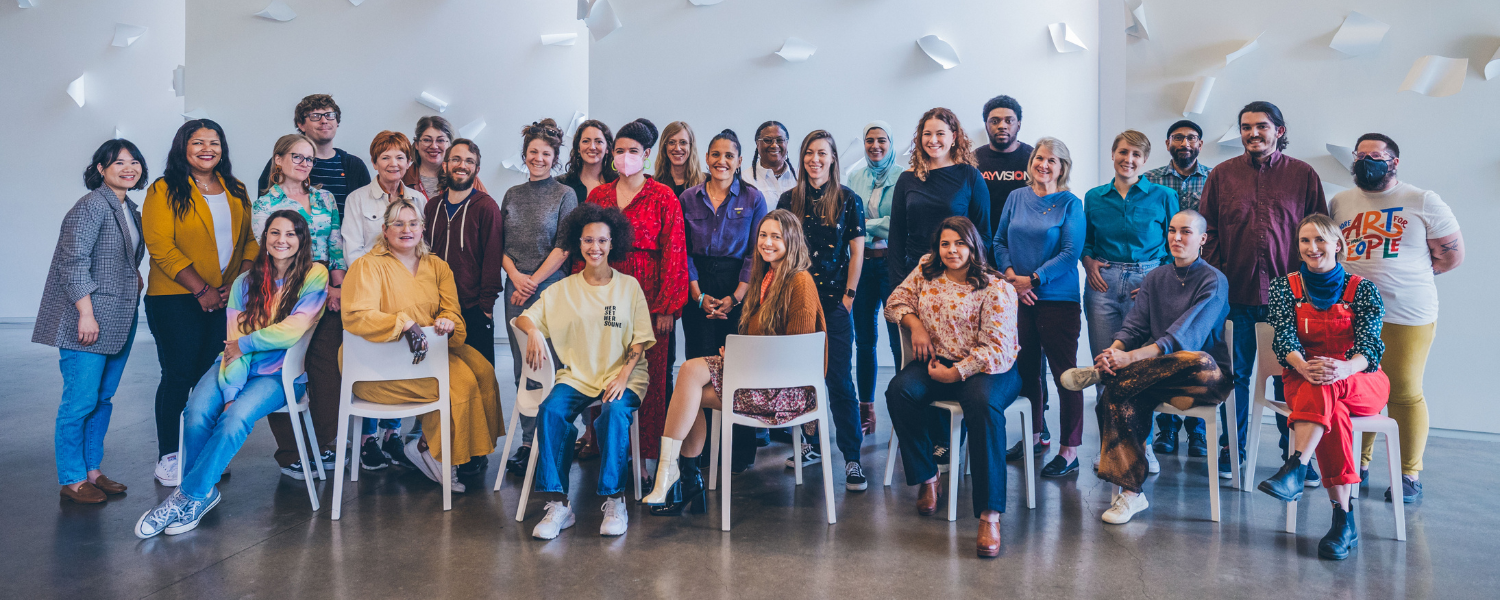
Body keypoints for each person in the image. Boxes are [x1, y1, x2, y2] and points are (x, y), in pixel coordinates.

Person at [134, 210, 328, 538]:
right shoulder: (245, 282)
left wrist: (247, 345)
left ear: (301, 239)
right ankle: (201, 495)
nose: (282, 240)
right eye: (275, 233)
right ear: (264, 239)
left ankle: (185, 496)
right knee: (195, 412)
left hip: (280, 376)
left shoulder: (315, 275)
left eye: (291, 234)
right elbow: (232, 343)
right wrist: (230, 392)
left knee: (235, 419)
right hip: (233, 366)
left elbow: (292, 330)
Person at [644, 209, 826, 515]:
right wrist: (741, 355)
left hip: (785, 390)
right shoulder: (767, 275)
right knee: (688, 375)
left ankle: (679, 479)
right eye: (763, 236)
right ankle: (678, 476)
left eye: (776, 237)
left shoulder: (800, 280)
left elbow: (796, 355)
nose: (767, 243)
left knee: (688, 393)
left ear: (792, 240)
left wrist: (744, 356)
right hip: (757, 373)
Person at [1059, 210, 1232, 524]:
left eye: (1186, 232)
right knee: (1116, 393)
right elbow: (1134, 327)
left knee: (1196, 358)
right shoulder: (1156, 277)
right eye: (1172, 231)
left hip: (1204, 376)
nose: (1176, 238)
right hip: (1157, 375)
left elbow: (1186, 335)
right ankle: (1131, 496)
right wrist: (1114, 351)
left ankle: (1106, 375)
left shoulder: (1213, 280)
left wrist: (1130, 359)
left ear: (1203, 239)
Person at [1331, 133, 1463, 503]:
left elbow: (1451, 255)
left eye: (1376, 155)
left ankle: (1408, 474)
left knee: (1403, 392)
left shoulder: (1421, 200)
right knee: (1361, 392)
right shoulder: (1341, 201)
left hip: (1407, 313)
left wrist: (1411, 276)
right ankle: (1361, 463)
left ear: (1394, 162)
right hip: (1352, 314)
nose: (1366, 161)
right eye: (1361, 155)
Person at [1200, 101, 1328, 481]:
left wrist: (1309, 288)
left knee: (1292, 376)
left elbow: (1320, 235)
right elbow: (1210, 234)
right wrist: (1220, 279)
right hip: (1236, 295)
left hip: (1289, 299)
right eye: (1245, 127)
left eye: (1261, 126)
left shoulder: (1304, 175)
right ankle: (1232, 449)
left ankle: (1295, 455)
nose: (1253, 133)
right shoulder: (1222, 175)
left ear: (1279, 131)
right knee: (1236, 376)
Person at [342, 200, 504, 492]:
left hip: (427, 351)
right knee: (461, 384)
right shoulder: (367, 265)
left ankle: (444, 450)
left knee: (482, 371)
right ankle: (435, 453)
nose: (407, 230)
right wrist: (403, 323)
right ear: (384, 230)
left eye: (413, 223)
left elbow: (452, 310)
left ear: (423, 229)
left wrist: (447, 321)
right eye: (398, 224)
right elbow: (357, 315)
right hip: (378, 365)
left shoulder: (437, 266)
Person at [884, 216, 1021, 557]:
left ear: (973, 246)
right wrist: (914, 325)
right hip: (938, 361)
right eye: (945, 243)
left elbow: (998, 349)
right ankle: (929, 477)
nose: (951, 250)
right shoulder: (927, 270)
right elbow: (894, 302)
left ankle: (990, 515)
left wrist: (957, 373)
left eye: (959, 243)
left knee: (982, 407)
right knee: (899, 391)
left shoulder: (994, 286)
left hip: (989, 370)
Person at [1256, 214, 1388, 561]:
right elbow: (1283, 337)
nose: (1312, 248)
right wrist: (1303, 365)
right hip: (1304, 376)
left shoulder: (1362, 288)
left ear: (1337, 244)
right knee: (1333, 411)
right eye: (1304, 241)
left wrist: (1343, 368)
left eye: (1320, 240)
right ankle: (1343, 520)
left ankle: (1297, 465)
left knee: (1330, 389)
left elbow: (1371, 348)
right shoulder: (1286, 287)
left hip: (1361, 378)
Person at [518, 204, 654, 539]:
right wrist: (533, 330)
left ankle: (614, 498)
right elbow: (525, 317)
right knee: (550, 411)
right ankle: (559, 504)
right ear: (578, 243)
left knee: (613, 413)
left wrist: (623, 377)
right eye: (588, 240)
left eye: (602, 241)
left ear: (613, 243)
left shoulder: (629, 287)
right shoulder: (562, 290)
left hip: (624, 374)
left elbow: (640, 340)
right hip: (578, 375)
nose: (595, 247)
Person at [143, 119, 259, 486]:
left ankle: (203, 453)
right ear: (183, 147)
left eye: (214, 142)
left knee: (211, 377)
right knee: (178, 375)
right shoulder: (163, 189)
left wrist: (236, 284)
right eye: (198, 142)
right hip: (175, 298)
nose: (207, 148)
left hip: (225, 298)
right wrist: (201, 289)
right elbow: (161, 246)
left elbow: (251, 242)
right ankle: (169, 457)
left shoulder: (236, 188)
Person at [36, 139, 148, 504]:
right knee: (79, 401)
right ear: (101, 169)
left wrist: (134, 277)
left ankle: (92, 470)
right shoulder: (90, 207)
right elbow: (73, 264)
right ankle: (72, 477)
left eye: (134, 162)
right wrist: (86, 312)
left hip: (119, 316)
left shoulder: (130, 208)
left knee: (103, 398)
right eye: (118, 163)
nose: (128, 168)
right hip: (88, 319)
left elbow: (124, 259)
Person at [582, 118, 689, 472]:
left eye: (633, 151)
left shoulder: (663, 197)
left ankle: (645, 455)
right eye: (619, 151)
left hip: (649, 298)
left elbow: (675, 252)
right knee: (606, 371)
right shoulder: (598, 196)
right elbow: (585, 246)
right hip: (605, 296)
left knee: (649, 380)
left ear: (645, 155)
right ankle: (608, 449)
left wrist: (667, 308)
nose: (625, 157)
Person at [252, 134, 352, 476]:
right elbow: (271, 253)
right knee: (284, 370)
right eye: (296, 156)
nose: (304, 163)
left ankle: (325, 444)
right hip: (285, 294)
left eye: (309, 158)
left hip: (326, 293)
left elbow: (336, 245)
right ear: (278, 160)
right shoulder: (265, 205)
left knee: (327, 368)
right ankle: (291, 451)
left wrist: (337, 286)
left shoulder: (324, 198)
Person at [1080, 130, 1179, 474]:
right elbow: (1086, 243)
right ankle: (1110, 447)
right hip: (1103, 285)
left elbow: (1175, 244)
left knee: (1140, 369)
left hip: (1146, 281)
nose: (1129, 160)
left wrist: (1158, 282)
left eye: (1137, 155)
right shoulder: (1093, 197)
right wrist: (1088, 261)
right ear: (1112, 154)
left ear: (1145, 161)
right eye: (1123, 152)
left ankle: (1142, 446)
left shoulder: (1164, 195)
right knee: (1106, 366)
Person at [776, 130, 867, 489]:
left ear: (832, 159)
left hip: (833, 302)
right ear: (802, 158)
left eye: (822, 153)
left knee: (839, 380)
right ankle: (811, 445)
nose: (815, 159)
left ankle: (852, 458)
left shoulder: (848, 199)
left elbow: (857, 251)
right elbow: (779, 250)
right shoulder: (789, 198)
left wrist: (849, 297)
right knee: (802, 378)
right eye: (810, 153)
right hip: (796, 301)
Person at [993, 137, 1085, 478]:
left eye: (1052, 160)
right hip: (1018, 297)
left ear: (1062, 168)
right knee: (1026, 370)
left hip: (1057, 300)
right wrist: (1012, 278)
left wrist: (1032, 280)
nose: (1044, 165)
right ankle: (1033, 437)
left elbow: (1070, 253)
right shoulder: (1017, 197)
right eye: (1039, 158)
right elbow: (999, 241)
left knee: (1066, 375)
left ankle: (1069, 450)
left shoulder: (1070, 203)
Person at [679, 129, 769, 474]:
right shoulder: (688, 197)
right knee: (699, 370)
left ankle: (738, 452)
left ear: (740, 160)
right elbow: (683, 250)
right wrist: (697, 295)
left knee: (737, 368)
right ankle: (698, 451)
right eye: (715, 154)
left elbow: (755, 252)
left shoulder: (753, 197)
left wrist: (737, 297)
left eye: (729, 155)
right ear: (707, 158)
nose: (721, 161)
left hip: (739, 287)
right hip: (698, 286)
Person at [341, 131, 428, 461]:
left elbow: (420, 247)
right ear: (375, 162)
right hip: (370, 293)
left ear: (409, 162)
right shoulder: (358, 199)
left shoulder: (419, 200)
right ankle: (367, 438)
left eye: (400, 157)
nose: (394, 163)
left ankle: (392, 432)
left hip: (407, 292)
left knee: (401, 361)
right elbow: (352, 249)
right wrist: (380, 276)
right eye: (386, 157)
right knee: (373, 362)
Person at [498, 119, 578, 476]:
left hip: (552, 290)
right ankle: (528, 441)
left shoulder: (565, 194)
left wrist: (534, 281)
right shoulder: (512, 195)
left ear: (554, 157)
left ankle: (554, 440)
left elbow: (564, 247)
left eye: (546, 153)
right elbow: (500, 247)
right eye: (533, 152)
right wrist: (516, 278)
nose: (539, 158)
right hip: (515, 290)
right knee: (522, 367)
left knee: (553, 365)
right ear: (525, 155)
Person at [1144, 119, 1214, 453]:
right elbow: (1151, 230)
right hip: (1163, 275)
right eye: (1178, 137)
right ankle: (1166, 429)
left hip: (1200, 276)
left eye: (1191, 138)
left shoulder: (1215, 178)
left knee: (1197, 344)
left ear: (1200, 143)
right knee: (1162, 336)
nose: (1184, 142)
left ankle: (1197, 429)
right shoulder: (1151, 180)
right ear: (1167, 142)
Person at [422, 138, 504, 367]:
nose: (462, 165)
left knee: (481, 375)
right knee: (441, 373)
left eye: (469, 161)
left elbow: (492, 258)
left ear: (476, 170)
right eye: (456, 159)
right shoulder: (432, 207)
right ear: (445, 165)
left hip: (474, 307)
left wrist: (486, 308)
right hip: (437, 307)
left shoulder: (486, 207)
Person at [846, 121, 901, 438]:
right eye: (869, 140)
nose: (875, 146)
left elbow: (898, 224)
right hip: (862, 264)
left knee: (897, 341)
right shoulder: (855, 176)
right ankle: (866, 408)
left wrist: (870, 225)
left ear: (891, 143)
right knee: (864, 342)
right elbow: (852, 222)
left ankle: (902, 409)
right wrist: (874, 225)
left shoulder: (903, 176)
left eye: (881, 140)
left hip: (891, 266)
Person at [255, 94, 371, 214]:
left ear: (337, 122)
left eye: (330, 115)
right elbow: (264, 208)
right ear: (301, 125)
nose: (324, 121)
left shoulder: (355, 166)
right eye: (315, 116)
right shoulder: (285, 163)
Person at [974, 95, 1034, 221]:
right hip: (983, 236)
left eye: (1009, 120)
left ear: (1018, 125)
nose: (1002, 126)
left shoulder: (1034, 159)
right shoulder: (972, 161)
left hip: (1024, 235)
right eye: (995, 121)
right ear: (986, 125)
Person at [405, 115, 488, 199]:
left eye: (440, 140)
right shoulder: (403, 177)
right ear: (416, 144)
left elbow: (486, 208)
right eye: (427, 140)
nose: (434, 146)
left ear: (450, 145)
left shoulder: (467, 177)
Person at [1144, 119, 1211, 212]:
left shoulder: (1213, 178)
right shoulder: (1149, 179)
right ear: (1168, 144)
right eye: (1178, 138)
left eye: (1191, 138)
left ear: (1200, 145)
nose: (1185, 144)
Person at [556, 119, 615, 205]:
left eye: (599, 141)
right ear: (578, 148)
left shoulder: (617, 184)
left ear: (607, 149)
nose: (592, 147)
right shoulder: (561, 184)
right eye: (586, 141)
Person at [749, 121, 796, 211]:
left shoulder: (800, 178)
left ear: (787, 143)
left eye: (780, 140)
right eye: (767, 140)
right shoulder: (745, 180)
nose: (774, 145)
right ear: (757, 143)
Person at [654, 121, 704, 197]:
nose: (677, 148)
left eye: (683, 142)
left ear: (691, 146)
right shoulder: (654, 185)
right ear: (664, 147)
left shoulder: (706, 183)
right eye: (671, 142)